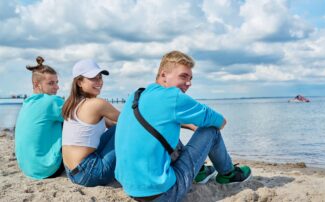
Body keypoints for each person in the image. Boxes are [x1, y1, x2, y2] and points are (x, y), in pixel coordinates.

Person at [114, 51, 252, 201]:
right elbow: (220, 122)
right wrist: (199, 127)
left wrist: (188, 124)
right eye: (183, 76)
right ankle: (228, 174)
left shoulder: (137, 95)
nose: (189, 83)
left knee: (167, 130)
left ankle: (199, 171)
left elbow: (161, 120)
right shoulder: (173, 97)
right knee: (211, 131)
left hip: (130, 188)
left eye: (190, 78)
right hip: (163, 194)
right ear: (163, 75)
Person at [62, 59, 120, 187]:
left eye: (100, 77)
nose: (99, 82)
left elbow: (110, 124)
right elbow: (130, 121)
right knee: (125, 129)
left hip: (71, 172)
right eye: (93, 78)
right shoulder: (97, 104)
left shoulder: (72, 104)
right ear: (79, 82)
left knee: (118, 128)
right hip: (90, 173)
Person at [15, 56, 64, 179]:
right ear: (37, 84)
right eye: (51, 83)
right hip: (47, 169)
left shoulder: (27, 102)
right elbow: (84, 115)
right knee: (75, 121)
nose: (57, 87)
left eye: (57, 82)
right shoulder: (52, 101)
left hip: (28, 169)